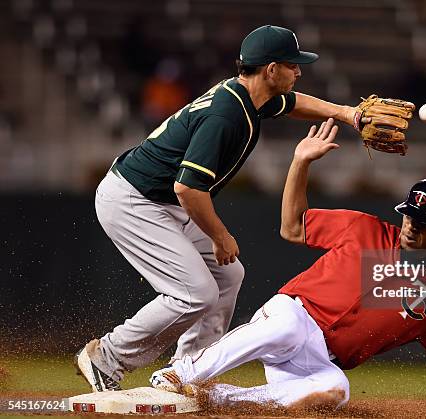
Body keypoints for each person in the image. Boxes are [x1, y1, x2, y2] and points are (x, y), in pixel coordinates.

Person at [150, 119, 426, 417]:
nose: (412, 226)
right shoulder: (362, 228)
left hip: (320, 359)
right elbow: (291, 227)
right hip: (295, 315)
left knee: (336, 391)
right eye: (410, 216)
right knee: (282, 328)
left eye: (425, 223)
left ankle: (217, 398)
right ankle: (178, 374)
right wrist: (300, 162)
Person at [75, 25, 370, 392]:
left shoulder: (249, 98)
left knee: (227, 277)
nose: (299, 71)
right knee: (193, 292)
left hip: (161, 201)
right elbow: (188, 187)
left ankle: (184, 373)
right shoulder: (226, 115)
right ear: (271, 70)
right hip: (134, 200)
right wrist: (221, 235)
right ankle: (107, 357)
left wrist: (348, 113)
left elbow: (293, 103)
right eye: (292, 65)